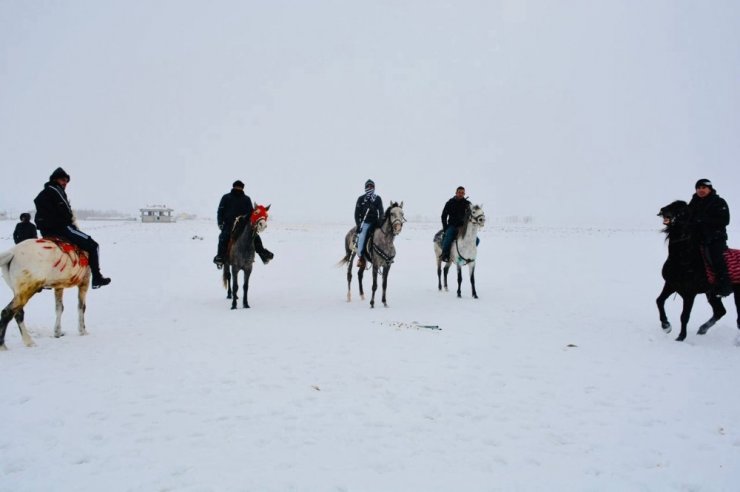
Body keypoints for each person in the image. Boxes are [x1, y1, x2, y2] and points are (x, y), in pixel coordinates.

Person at [34, 167, 111, 288]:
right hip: (61, 228)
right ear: (55, 180)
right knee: (93, 245)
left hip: (46, 231)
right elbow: (66, 211)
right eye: (62, 180)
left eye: (66, 181)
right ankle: (97, 277)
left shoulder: (43, 193)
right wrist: (68, 219)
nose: (65, 183)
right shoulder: (56, 190)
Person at [214, 180, 273, 268]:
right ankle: (220, 257)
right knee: (223, 236)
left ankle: (263, 254)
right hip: (229, 224)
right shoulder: (226, 197)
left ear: (242, 188)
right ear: (233, 187)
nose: (238, 188)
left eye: (240, 187)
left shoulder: (247, 199)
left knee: (255, 236)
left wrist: (253, 223)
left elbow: (250, 213)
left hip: (243, 224)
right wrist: (220, 223)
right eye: (237, 187)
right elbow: (220, 211)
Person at [688, 178, 732, 297]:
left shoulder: (718, 202)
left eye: (703, 188)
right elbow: (686, 217)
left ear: (710, 189)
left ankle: (725, 286)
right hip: (697, 239)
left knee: (716, 259)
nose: (701, 190)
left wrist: (702, 220)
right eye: (698, 188)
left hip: (715, 239)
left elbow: (725, 220)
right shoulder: (693, 203)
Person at [354, 179, 384, 268]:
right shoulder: (361, 199)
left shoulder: (377, 199)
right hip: (365, 223)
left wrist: (380, 221)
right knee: (362, 236)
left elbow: (381, 212)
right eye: (368, 186)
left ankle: (384, 256)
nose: (370, 188)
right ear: (365, 187)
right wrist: (359, 224)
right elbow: (356, 213)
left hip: (375, 222)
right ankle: (361, 258)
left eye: (372, 186)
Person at [439, 186, 471, 262]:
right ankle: (445, 255)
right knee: (448, 237)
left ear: (464, 194)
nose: (461, 194)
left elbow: (472, 216)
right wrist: (445, 227)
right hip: (452, 226)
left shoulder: (468, 204)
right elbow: (443, 216)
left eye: (462, 193)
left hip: (463, 227)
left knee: (476, 240)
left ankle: (468, 254)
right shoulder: (450, 203)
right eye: (459, 192)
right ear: (456, 193)